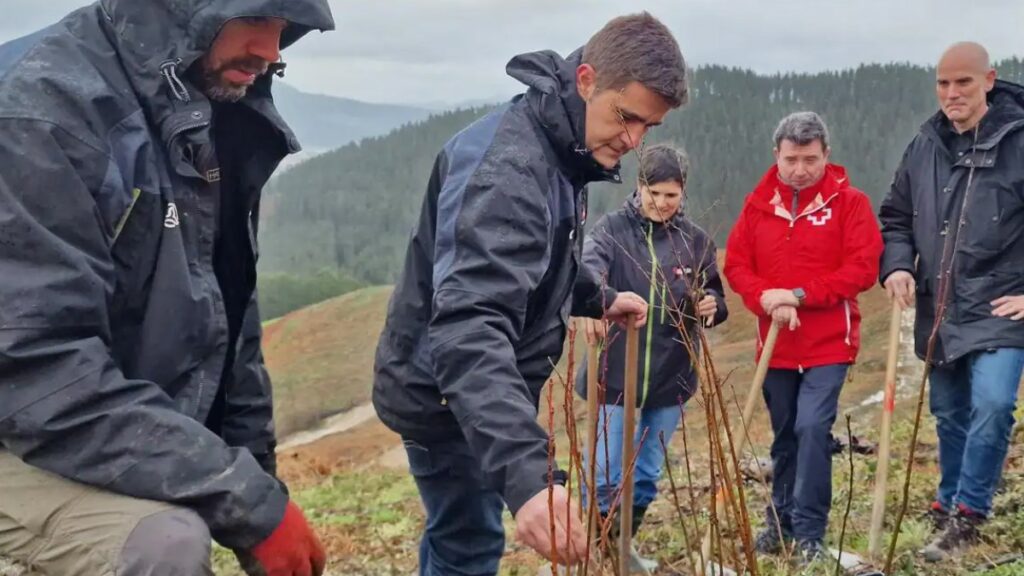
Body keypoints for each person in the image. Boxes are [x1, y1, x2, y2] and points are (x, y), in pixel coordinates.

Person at [0, 1, 335, 574]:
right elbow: (35, 365)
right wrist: (244, 502)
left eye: (284, 29)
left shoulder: (202, 108)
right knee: (162, 544)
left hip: (83, 422)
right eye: (257, 20)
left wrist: (260, 489)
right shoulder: (40, 114)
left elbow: (229, 325)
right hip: (21, 422)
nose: (273, 52)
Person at [372, 12, 688, 573]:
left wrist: (598, 296)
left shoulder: (563, 148)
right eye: (627, 117)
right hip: (449, 393)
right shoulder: (510, 170)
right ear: (587, 79)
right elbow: (471, 325)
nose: (635, 140)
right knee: (468, 541)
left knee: (456, 531)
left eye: (649, 127)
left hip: (473, 390)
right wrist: (527, 476)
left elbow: (543, 256)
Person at [878, 41, 1024, 562]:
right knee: (950, 412)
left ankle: (969, 514)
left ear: (989, 79)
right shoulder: (925, 144)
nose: (951, 93)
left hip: (1001, 310)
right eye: (943, 83)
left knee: (992, 405)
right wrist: (896, 265)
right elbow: (895, 216)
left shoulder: (1019, 140)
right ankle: (950, 498)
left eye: (963, 82)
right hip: (940, 307)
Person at [724, 111, 882, 565]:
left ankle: (810, 530)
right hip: (775, 345)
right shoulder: (758, 206)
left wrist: (798, 295)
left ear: (825, 155)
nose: (799, 169)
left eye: (809, 159)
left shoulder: (850, 204)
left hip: (829, 342)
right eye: (791, 159)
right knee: (784, 436)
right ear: (777, 155)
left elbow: (862, 269)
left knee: (813, 429)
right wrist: (767, 299)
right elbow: (737, 266)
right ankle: (781, 519)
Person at [575, 143, 728, 572]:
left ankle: (620, 549)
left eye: (670, 195)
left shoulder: (695, 241)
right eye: (652, 192)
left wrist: (712, 304)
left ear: (683, 194)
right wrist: (598, 300)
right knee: (605, 472)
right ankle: (594, 553)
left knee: (645, 475)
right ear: (639, 186)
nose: (660, 203)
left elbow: (714, 293)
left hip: (670, 374)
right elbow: (589, 269)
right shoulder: (610, 232)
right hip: (614, 370)